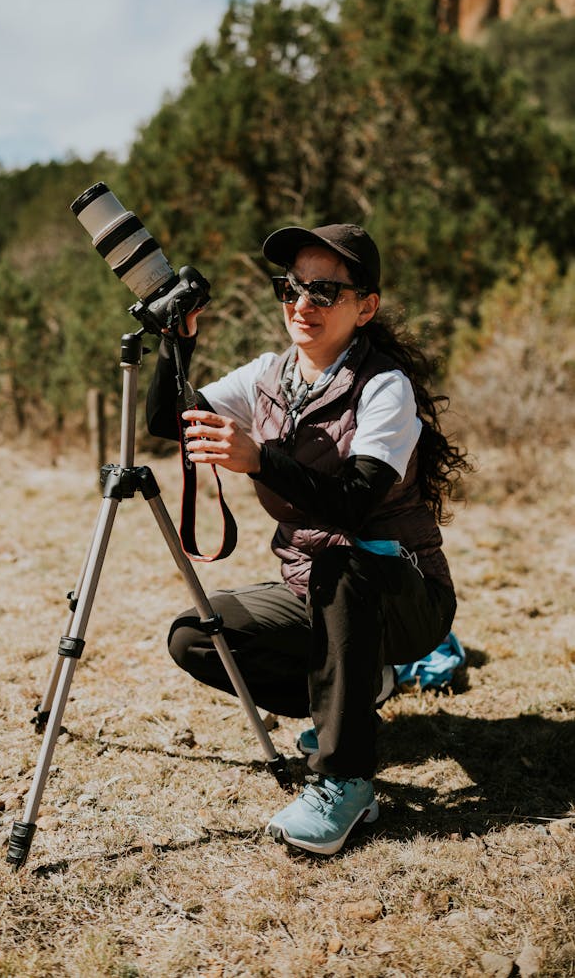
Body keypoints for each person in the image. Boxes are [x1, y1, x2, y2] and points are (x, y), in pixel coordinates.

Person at [146, 223, 467, 856]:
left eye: (324, 291)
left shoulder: (384, 388)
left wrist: (259, 459)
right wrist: (175, 343)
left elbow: (353, 501)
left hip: (404, 594)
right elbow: (165, 420)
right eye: (290, 288)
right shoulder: (268, 376)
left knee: (341, 565)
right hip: (313, 590)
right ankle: (356, 690)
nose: (302, 305)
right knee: (197, 637)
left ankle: (345, 782)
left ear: (365, 306)